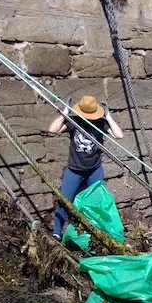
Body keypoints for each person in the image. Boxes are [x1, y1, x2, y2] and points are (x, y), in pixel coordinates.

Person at [48, 95, 124, 239]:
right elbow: (53, 130)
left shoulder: (101, 123)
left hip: (94, 170)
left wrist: (108, 117)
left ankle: (99, 232)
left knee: (98, 202)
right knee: (64, 201)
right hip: (74, 170)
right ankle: (57, 232)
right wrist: (64, 113)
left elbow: (119, 135)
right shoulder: (74, 122)